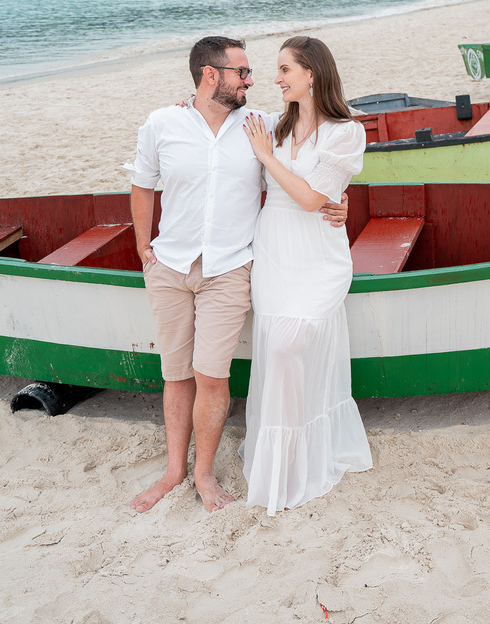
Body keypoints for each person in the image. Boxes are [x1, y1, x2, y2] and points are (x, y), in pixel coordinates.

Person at [128, 35, 345, 514]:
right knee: (175, 374)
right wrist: (144, 247)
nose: (253, 80)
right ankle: (173, 471)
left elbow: (306, 164)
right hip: (169, 267)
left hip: (229, 270)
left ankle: (203, 473)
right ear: (212, 75)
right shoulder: (161, 123)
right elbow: (142, 184)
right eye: (242, 72)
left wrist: (338, 202)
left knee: (211, 376)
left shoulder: (260, 124)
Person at [240, 35, 373, 516]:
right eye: (275, 71)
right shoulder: (271, 130)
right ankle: (282, 462)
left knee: (293, 344)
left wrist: (268, 158)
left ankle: (306, 454)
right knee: (279, 350)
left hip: (318, 253)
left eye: (284, 69)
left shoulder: (345, 132)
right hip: (275, 249)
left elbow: (314, 199)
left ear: (312, 73)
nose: (275, 79)